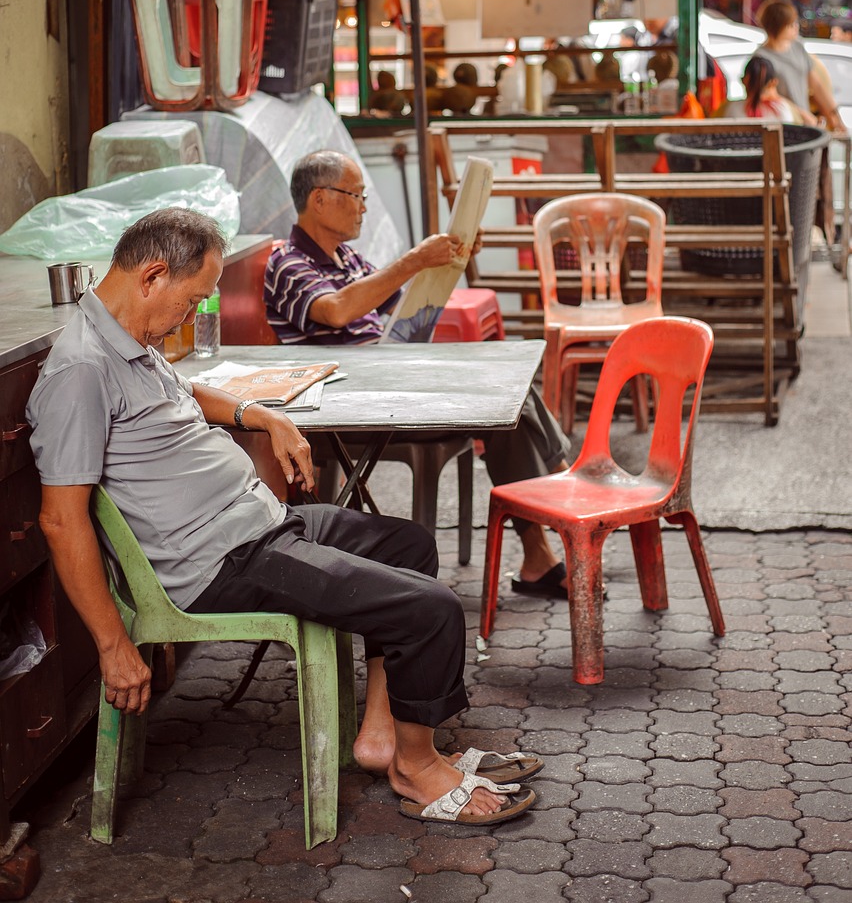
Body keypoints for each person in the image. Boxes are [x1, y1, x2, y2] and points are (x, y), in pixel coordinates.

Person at [28, 209, 537, 827]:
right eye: (190, 302)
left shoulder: (132, 336)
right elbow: (61, 520)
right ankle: (418, 771)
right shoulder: (81, 370)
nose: (190, 319)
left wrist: (260, 413)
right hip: (223, 562)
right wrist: (112, 645)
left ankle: (389, 742)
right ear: (152, 275)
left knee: (408, 545)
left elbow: (186, 395)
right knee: (430, 610)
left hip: (261, 524)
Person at [264, 151, 572, 598]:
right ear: (320, 199)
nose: (364, 207)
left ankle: (549, 533)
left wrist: (449, 259)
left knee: (510, 396)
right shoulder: (289, 263)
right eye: (356, 196)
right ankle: (565, 507)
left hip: (390, 382)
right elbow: (335, 311)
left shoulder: (347, 259)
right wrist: (413, 259)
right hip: (356, 405)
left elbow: (404, 305)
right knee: (506, 400)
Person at [754, 0, 845, 130]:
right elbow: (767, 97)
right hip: (780, 126)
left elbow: (817, 86)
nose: (796, 26)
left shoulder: (797, 46)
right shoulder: (761, 58)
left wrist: (835, 119)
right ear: (778, 26)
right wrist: (803, 115)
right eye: (791, 24)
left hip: (805, 125)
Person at [715, 56, 817, 124]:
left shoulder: (729, 108)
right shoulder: (786, 109)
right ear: (773, 83)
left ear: (744, 81)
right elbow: (812, 123)